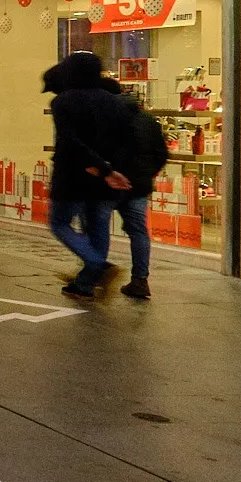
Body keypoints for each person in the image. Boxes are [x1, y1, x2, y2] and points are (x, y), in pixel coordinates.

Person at [44, 51, 132, 299]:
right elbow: (124, 141)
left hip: (73, 174)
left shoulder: (63, 101)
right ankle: (85, 285)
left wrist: (96, 165)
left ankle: (98, 266)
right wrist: (110, 169)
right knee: (97, 226)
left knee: (60, 222)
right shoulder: (114, 101)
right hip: (107, 177)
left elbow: (69, 141)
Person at [98, 72, 166, 300]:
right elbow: (162, 153)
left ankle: (96, 273)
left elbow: (100, 150)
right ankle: (140, 280)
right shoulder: (148, 119)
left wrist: (106, 173)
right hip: (138, 185)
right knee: (138, 231)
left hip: (109, 183)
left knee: (98, 227)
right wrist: (147, 175)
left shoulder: (106, 118)